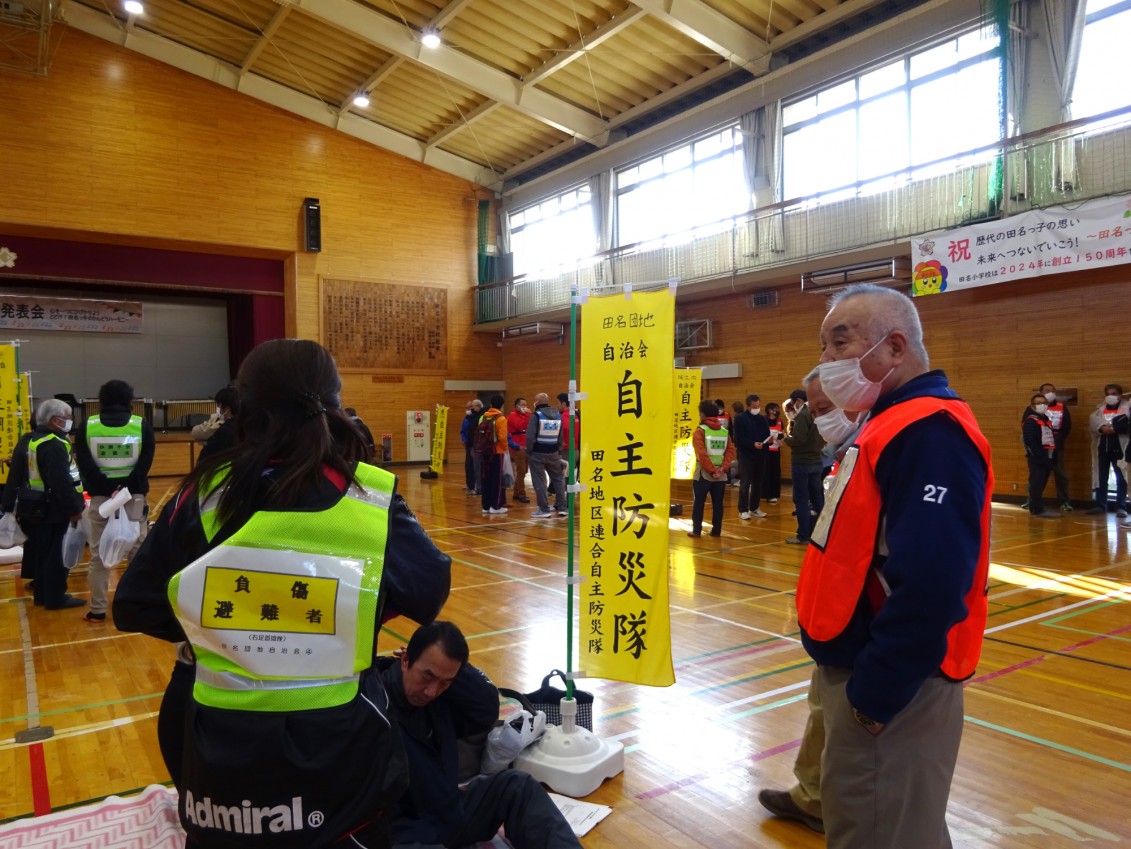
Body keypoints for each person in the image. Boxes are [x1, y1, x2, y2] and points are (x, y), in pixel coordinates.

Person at [113, 338, 452, 849]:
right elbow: (428, 588)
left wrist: (226, 632)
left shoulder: (206, 493)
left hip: (222, 751)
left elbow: (136, 604)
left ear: (244, 409)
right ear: (334, 405)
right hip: (339, 749)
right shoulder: (367, 496)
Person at [795, 283, 993, 849]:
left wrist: (875, 697)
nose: (827, 360)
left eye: (840, 342)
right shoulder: (888, 423)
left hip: (893, 689)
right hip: (859, 666)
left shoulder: (929, 433)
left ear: (896, 347)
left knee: (882, 831)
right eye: (824, 345)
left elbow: (933, 582)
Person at [758, 375, 862, 836]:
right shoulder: (848, 453)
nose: (819, 419)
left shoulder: (886, 447)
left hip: (860, 623)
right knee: (821, 705)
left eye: (825, 409)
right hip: (831, 622)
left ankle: (834, 805)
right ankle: (811, 796)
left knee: (845, 720)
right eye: (815, 411)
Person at [379, 621, 582, 849]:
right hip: (406, 834)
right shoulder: (375, 709)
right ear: (405, 661)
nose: (431, 691)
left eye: (445, 682)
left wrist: (451, 671)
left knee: (518, 786)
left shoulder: (442, 699)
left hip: (451, 814)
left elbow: (485, 709)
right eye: (427, 676)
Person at [73, 379, 156, 622]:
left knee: (99, 556)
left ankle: (98, 609)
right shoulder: (141, 425)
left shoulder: (87, 426)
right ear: (129, 400)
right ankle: (134, 605)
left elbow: (85, 464)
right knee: (137, 552)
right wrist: (125, 488)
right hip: (133, 498)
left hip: (102, 499)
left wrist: (108, 487)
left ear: (102, 400)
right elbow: (145, 463)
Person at [2, 399, 86, 609]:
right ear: (55, 420)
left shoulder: (33, 440)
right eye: (67, 418)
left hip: (35, 506)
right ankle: (55, 597)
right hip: (54, 509)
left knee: (42, 554)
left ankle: (42, 594)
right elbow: (61, 482)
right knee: (56, 556)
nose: (70, 421)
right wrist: (73, 510)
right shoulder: (54, 444)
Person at [780, 388, 824, 545]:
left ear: (798, 401)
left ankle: (803, 535)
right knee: (817, 498)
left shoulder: (803, 415)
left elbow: (798, 440)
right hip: (817, 460)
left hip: (802, 462)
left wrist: (785, 439)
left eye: (793, 404)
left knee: (801, 499)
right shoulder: (816, 412)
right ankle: (822, 532)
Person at [687, 399, 735, 538]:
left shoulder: (700, 431)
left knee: (699, 503)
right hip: (721, 475)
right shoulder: (724, 432)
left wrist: (712, 470)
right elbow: (730, 451)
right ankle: (716, 531)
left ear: (702, 415)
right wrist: (722, 469)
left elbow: (701, 454)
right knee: (718, 504)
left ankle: (696, 531)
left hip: (704, 474)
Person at [1087, 384, 1129, 517]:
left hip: (1120, 449)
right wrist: (1101, 428)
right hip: (1103, 448)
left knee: (1122, 478)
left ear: (1120, 395)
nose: (1111, 396)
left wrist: (1115, 428)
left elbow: (1127, 424)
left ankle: (1121, 506)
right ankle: (1101, 505)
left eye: (1114, 393)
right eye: (1108, 394)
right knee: (1101, 477)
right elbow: (1094, 424)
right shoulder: (1100, 410)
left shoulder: (1127, 408)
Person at [525, 393, 568, 519]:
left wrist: (529, 450)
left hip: (537, 453)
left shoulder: (535, 416)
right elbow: (560, 436)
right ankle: (562, 508)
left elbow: (530, 436)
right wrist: (559, 450)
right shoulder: (558, 416)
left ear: (538, 402)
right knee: (558, 480)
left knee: (540, 481)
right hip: (553, 453)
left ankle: (544, 509)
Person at [731, 394, 770, 520]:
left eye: (758, 406)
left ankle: (754, 508)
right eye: (754, 406)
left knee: (758, 483)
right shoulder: (740, 419)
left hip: (760, 455)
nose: (757, 408)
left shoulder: (762, 419)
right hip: (746, 455)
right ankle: (742, 510)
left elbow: (766, 434)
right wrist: (752, 444)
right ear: (748, 406)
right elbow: (738, 439)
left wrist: (769, 441)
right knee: (745, 483)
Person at [1022, 393, 1060, 518]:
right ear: (1033, 406)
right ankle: (1036, 509)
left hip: (1048, 456)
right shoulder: (1030, 421)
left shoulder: (1046, 420)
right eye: (1038, 403)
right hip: (1037, 458)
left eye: (1044, 402)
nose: (1042, 405)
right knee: (1036, 484)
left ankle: (1038, 507)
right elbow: (1030, 441)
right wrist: (1038, 456)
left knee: (1041, 483)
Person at [1038, 382, 1072, 510]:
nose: (1050, 393)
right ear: (1041, 393)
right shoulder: (1035, 408)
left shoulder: (1062, 407)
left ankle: (1064, 501)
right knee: (1037, 474)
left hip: (1056, 444)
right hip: (1040, 446)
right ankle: (1032, 500)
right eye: (1047, 390)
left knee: (1060, 474)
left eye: (1052, 390)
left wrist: (1058, 440)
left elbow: (1067, 427)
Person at [477, 394, 509, 514]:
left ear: (491, 404)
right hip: (496, 452)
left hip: (484, 451)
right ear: (502, 405)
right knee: (497, 479)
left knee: (485, 478)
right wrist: (506, 448)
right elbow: (502, 437)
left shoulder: (483, 417)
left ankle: (485, 506)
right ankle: (495, 506)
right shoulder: (501, 419)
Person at [193, 386, 239, 463]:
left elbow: (205, 458)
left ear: (226, 409)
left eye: (218, 405)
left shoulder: (223, 430)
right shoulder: (243, 424)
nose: (217, 408)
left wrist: (213, 425)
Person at [507, 397, 531, 504]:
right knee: (521, 471)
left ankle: (516, 493)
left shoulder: (523, 416)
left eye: (525, 404)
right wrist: (527, 415)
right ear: (517, 406)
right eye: (522, 404)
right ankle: (522, 494)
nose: (525, 407)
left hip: (524, 446)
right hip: (517, 446)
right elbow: (521, 426)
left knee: (524, 471)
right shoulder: (512, 415)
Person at [761, 402, 784, 503]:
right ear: (769, 410)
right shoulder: (763, 420)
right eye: (775, 409)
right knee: (765, 472)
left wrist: (781, 439)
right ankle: (764, 494)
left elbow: (782, 434)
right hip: (765, 451)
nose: (777, 411)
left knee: (775, 472)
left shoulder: (779, 421)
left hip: (775, 451)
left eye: (777, 409)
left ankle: (773, 494)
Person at [460, 399, 483, 495]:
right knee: (468, 466)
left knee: (476, 467)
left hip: (476, 446)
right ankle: (470, 485)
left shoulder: (480, 417)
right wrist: (464, 440)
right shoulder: (467, 418)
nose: (470, 409)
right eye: (468, 408)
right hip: (469, 445)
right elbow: (463, 431)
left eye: (471, 407)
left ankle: (477, 486)